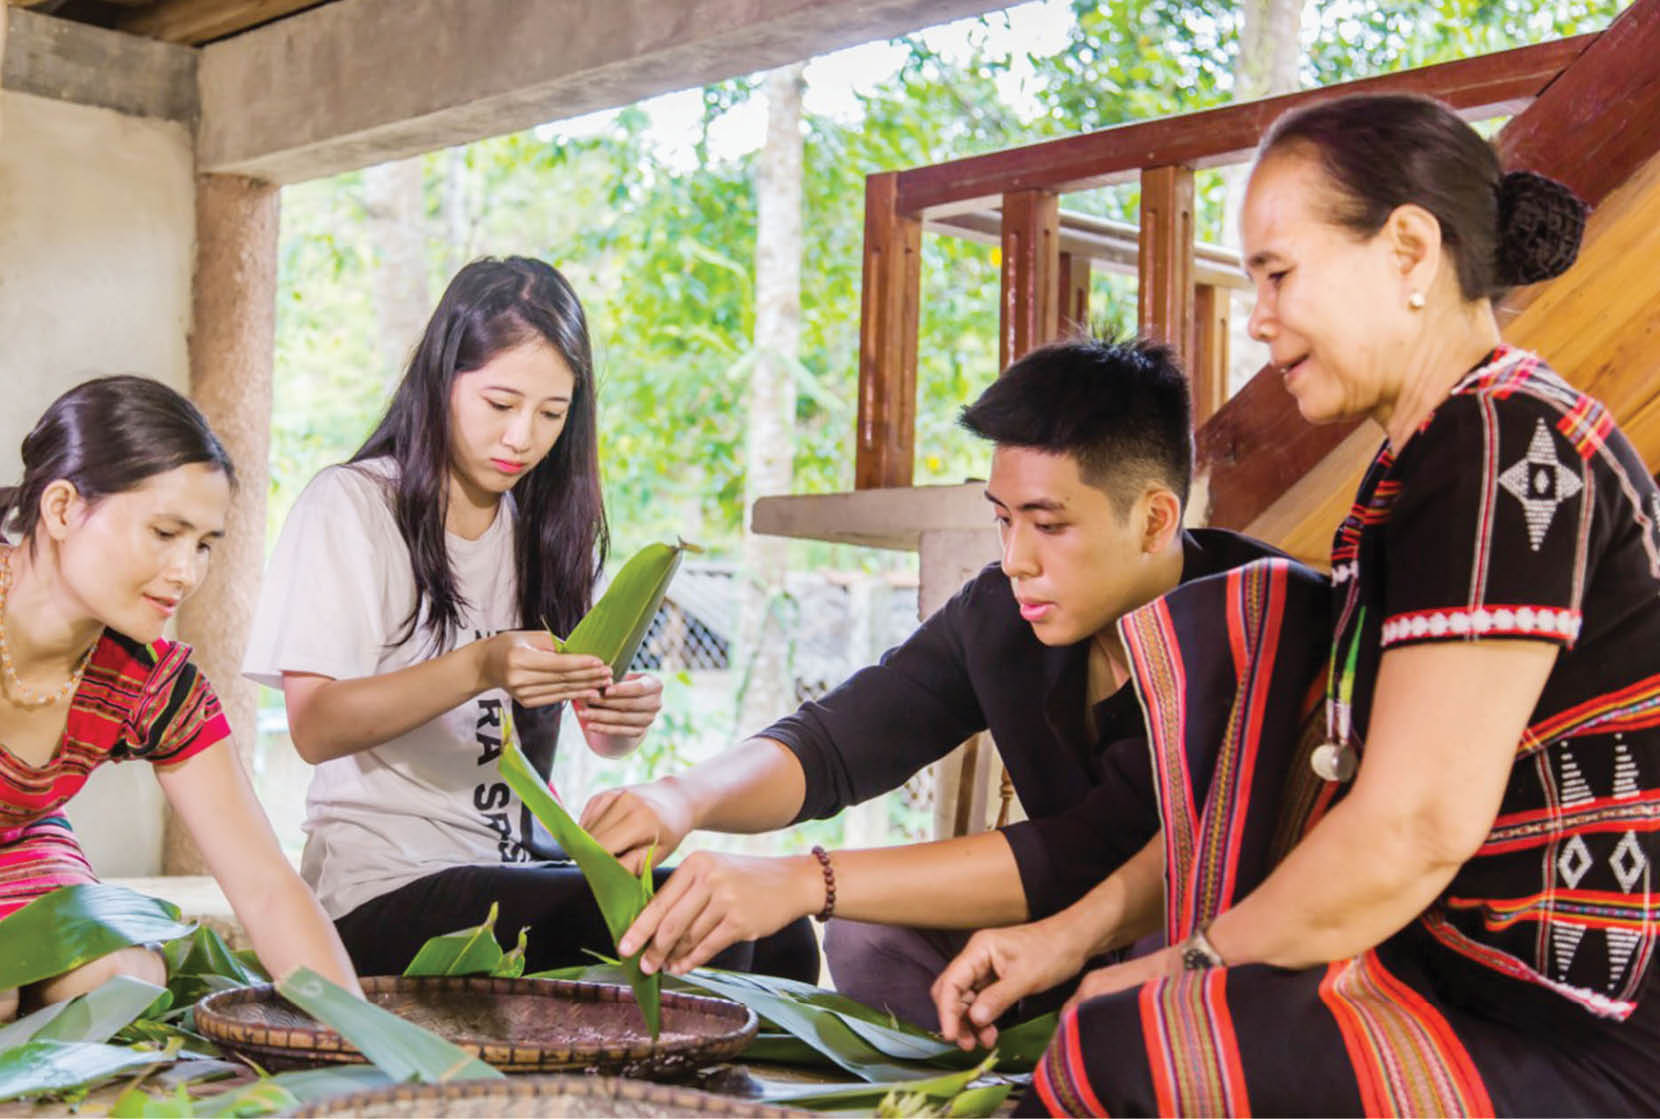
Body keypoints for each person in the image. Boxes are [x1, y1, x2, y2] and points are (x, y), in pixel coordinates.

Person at [932, 92, 1660, 1116]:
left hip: (1576, 1034)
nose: (1258, 318)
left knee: (1124, 1047)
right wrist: (1067, 938)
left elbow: (1412, 828)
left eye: (1277, 274)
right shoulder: (1432, 460)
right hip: (1459, 984)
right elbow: (1288, 795)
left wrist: (1178, 968)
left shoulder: (1502, 446)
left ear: (1409, 251)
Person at [583, 335, 1295, 1028]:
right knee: (867, 933)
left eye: (1049, 525)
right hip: (1052, 949)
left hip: (1198, 963)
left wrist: (804, 879)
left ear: (1154, 520)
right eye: (1003, 520)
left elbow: (1094, 851)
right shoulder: (1005, 613)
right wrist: (681, 797)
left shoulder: (1252, 621)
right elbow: (840, 740)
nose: (1016, 558)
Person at [243, 256, 814, 980]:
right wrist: (479, 666)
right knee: (696, 934)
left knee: (779, 931)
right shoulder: (354, 504)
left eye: (551, 414)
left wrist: (617, 716)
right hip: (385, 887)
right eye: (500, 403)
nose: (522, 437)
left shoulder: (544, 526)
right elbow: (315, 726)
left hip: (521, 866)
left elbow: (596, 733)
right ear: (442, 379)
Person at [0, 376, 359, 1022]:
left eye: (202, 545)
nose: (186, 573)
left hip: (19, 845)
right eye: (165, 533)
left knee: (126, 977)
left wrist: (365, 1033)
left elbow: (265, 885)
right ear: (62, 509)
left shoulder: (151, 683)